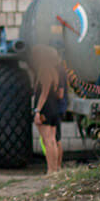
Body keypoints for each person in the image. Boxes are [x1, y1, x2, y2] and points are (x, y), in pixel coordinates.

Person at [30, 44, 68, 175]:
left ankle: (50, 169)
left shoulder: (45, 70)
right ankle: (55, 169)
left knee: (48, 141)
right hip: (54, 108)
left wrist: (37, 111)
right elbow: (58, 93)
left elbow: (44, 93)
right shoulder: (56, 71)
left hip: (46, 108)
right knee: (52, 139)